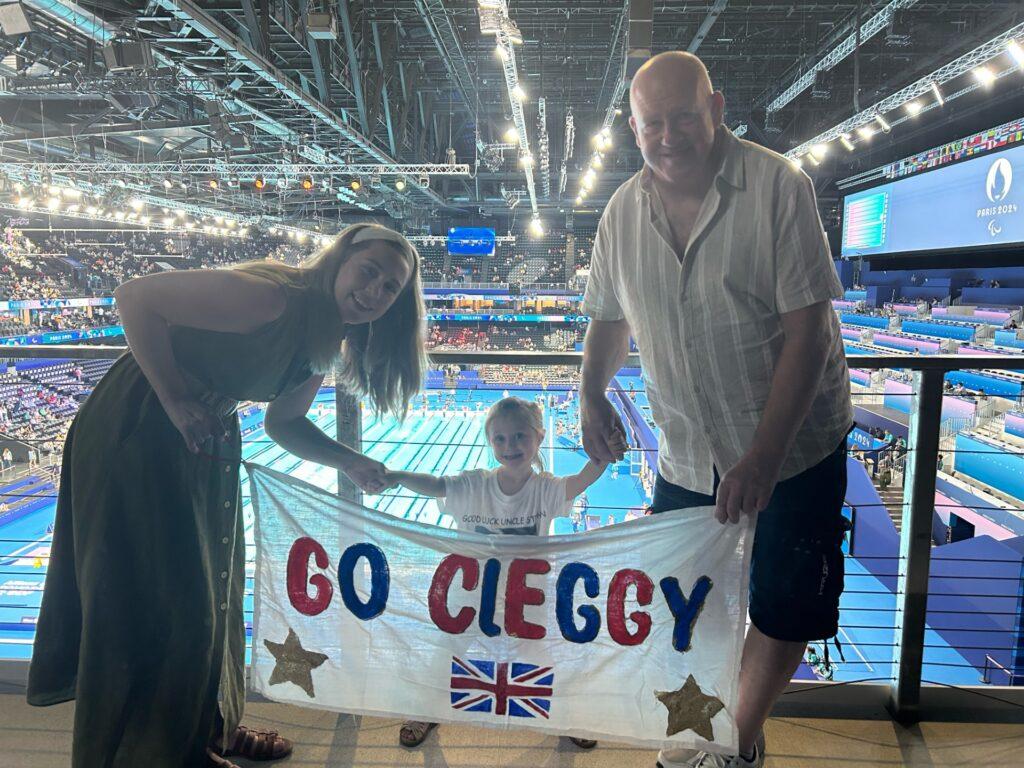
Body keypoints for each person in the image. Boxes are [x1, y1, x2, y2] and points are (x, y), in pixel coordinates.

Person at [27, 223, 427, 768]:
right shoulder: (273, 298)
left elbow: (285, 423)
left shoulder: (324, 337)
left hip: (202, 436)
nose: (374, 291)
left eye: (390, 288)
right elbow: (135, 298)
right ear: (340, 260)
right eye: (370, 271)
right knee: (163, 599)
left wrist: (350, 462)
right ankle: (164, 749)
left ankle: (205, 727)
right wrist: (171, 397)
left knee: (212, 592)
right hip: (140, 430)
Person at [578, 52, 852, 768]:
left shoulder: (776, 187)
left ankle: (734, 741)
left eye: (683, 118)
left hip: (793, 450)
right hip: (685, 452)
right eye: (651, 125)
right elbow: (608, 318)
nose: (668, 136)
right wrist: (589, 392)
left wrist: (763, 454)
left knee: (785, 602)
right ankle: (709, 718)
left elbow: (810, 333)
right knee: (683, 602)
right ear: (634, 130)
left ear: (717, 109)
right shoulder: (621, 213)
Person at [384, 397, 607, 751]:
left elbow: (581, 481)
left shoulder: (545, 489)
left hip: (526, 597)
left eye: (520, 437)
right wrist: (394, 476)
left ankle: (566, 715)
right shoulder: (474, 485)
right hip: (471, 595)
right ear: (490, 442)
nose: (510, 446)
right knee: (446, 651)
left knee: (543, 656)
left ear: (538, 437)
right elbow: (437, 485)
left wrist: (604, 453)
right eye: (500, 439)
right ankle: (425, 709)